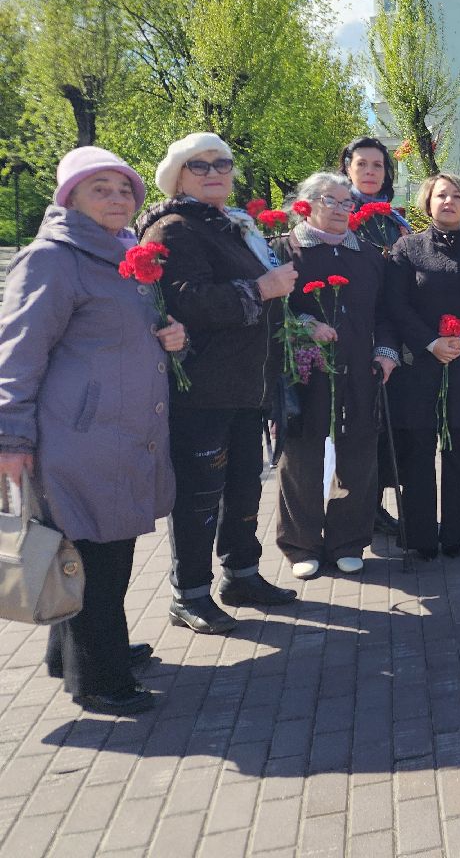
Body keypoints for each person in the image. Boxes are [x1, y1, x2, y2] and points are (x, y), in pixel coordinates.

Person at [0, 149, 185, 715]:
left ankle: (72, 654)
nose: (116, 199)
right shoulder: (52, 260)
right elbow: (18, 353)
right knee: (98, 557)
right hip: (78, 437)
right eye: (99, 188)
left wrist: (166, 333)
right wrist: (11, 439)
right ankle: (100, 680)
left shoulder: (125, 255)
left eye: (124, 189)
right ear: (70, 198)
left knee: (92, 550)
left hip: (120, 434)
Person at [138, 132, 299, 635]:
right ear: (178, 176)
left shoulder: (227, 226)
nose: (214, 173)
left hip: (244, 384)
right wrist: (261, 288)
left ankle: (242, 575)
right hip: (202, 388)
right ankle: (188, 594)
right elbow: (188, 301)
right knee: (200, 494)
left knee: (243, 486)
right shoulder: (175, 228)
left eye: (222, 164)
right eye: (200, 166)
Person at [271, 173, 399, 577]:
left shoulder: (367, 254)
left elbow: (386, 311)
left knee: (359, 455)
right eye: (334, 201)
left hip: (360, 370)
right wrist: (304, 325)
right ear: (308, 203)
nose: (344, 210)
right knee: (302, 456)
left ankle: (348, 540)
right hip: (306, 373)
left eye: (349, 203)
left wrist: (386, 353)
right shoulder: (283, 249)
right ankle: (301, 544)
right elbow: (272, 310)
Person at [386, 174, 460, 558]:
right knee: (419, 452)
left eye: (456, 195)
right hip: (419, 365)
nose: (449, 201)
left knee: (457, 450)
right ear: (428, 202)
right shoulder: (407, 248)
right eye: (441, 195)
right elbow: (396, 304)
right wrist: (430, 342)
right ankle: (420, 536)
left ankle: (455, 534)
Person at [338, 136, 409, 537]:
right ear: (347, 167)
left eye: (377, 166)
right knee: (353, 427)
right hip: (349, 329)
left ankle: (377, 504)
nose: (369, 172)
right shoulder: (336, 210)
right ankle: (349, 508)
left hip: (390, 331)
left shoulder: (395, 221)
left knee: (386, 425)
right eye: (361, 164)